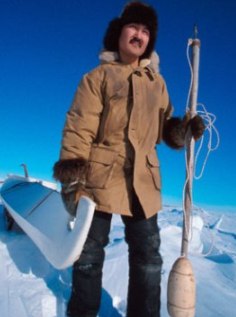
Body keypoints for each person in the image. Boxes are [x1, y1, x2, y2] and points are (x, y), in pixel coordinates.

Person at [53, 2, 205, 317]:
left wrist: (184, 129)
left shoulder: (157, 84)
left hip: (143, 183)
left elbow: (164, 128)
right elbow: (79, 128)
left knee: (149, 258)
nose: (140, 35)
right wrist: (73, 179)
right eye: (134, 27)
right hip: (99, 179)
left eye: (146, 31)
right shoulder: (97, 78)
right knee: (89, 257)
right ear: (118, 32)